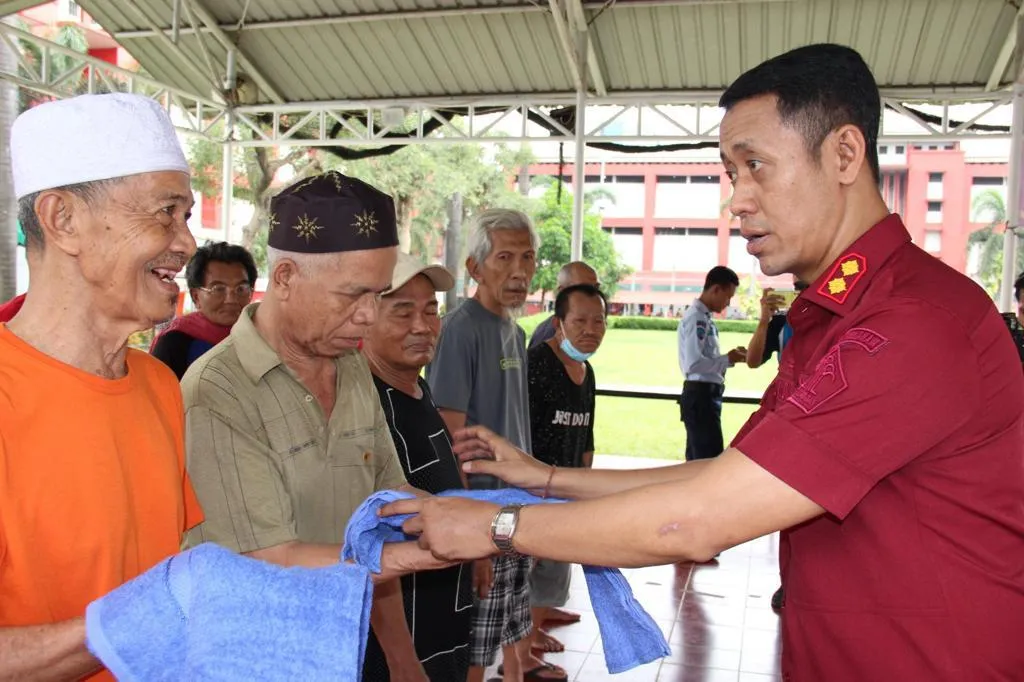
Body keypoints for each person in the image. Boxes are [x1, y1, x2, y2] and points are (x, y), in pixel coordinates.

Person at [384, 43, 1024, 681]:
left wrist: (496, 525)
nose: (738, 200)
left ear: (845, 155)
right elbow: (717, 479)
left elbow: (692, 521)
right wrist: (545, 478)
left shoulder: (911, 324)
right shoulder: (835, 319)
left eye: (757, 167)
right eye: (730, 174)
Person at [182, 172, 432, 681]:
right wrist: (433, 549)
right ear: (287, 277)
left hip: (344, 639)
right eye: (353, 295)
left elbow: (389, 492)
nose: (368, 316)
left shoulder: (350, 363)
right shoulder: (220, 390)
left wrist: (483, 518)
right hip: (257, 659)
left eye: (378, 294)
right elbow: (269, 558)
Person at [0, 93, 205, 680]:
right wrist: (131, 623)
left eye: (186, 216)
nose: (186, 242)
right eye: (165, 212)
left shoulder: (159, 384)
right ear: (63, 219)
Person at [427, 209, 564, 682]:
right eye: (504, 257)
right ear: (474, 268)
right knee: (475, 644)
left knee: (512, 624)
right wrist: (476, 543)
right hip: (481, 518)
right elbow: (451, 440)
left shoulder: (514, 330)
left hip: (516, 510)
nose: (519, 271)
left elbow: (515, 431)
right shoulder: (460, 331)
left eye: (527, 257)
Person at [360, 252, 474, 681]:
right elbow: (366, 543)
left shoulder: (416, 386)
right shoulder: (362, 405)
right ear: (364, 316)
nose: (422, 326)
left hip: (445, 608)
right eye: (402, 311)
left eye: (431, 310)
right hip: (399, 637)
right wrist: (401, 660)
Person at [526, 283, 606, 658]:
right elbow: (521, 430)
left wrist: (584, 489)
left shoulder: (587, 372)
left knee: (553, 574)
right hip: (532, 492)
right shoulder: (538, 364)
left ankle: (532, 636)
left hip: (567, 493)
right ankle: (522, 653)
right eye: (580, 321)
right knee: (526, 574)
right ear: (558, 323)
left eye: (599, 321)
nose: (591, 330)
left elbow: (586, 435)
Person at [743, 278, 808, 613]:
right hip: (787, 416)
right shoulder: (785, 318)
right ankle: (791, 579)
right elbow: (754, 360)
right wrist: (766, 320)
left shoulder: (848, 315)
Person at [150, 241, 257, 379]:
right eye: (218, 289)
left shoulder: (262, 338)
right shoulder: (174, 343)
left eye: (241, 289)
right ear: (196, 297)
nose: (231, 299)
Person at [677, 265, 747, 461]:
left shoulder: (705, 319)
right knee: (705, 461)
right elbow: (693, 364)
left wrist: (729, 359)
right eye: (727, 297)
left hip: (707, 396)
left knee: (703, 458)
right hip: (701, 397)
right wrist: (728, 359)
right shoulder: (696, 319)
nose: (728, 303)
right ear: (715, 289)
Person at [528, 261, 599, 349]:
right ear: (562, 291)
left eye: (596, 288)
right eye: (583, 288)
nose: (593, 294)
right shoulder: (549, 335)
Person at [745, 280, 809, 371]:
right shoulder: (781, 323)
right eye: (797, 289)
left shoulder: (832, 320)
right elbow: (753, 362)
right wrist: (764, 319)